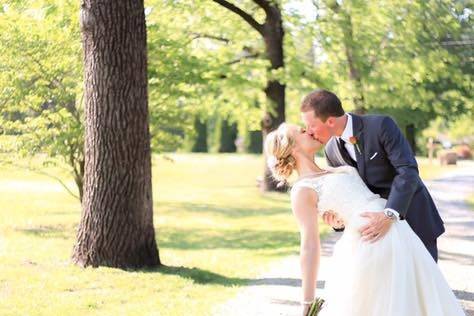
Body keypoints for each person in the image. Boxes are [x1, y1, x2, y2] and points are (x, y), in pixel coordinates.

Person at [264, 123, 465, 316]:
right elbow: (309, 245)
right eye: (301, 130)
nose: (308, 130)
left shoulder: (334, 167)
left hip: (398, 231)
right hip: (370, 245)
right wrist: (307, 301)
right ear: (292, 147)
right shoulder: (303, 190)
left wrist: (341, 220)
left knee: (416, 298)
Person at [301, 89, 444, 261]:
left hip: (412, 217)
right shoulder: (331, 150)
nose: (309, 132)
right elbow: (346, 192)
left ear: (330, 121)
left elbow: (407, 170)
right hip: (376, 236)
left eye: (312, 125)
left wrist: (389, 214)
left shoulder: (381, 126)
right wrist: (338, 222)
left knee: (425, 285)